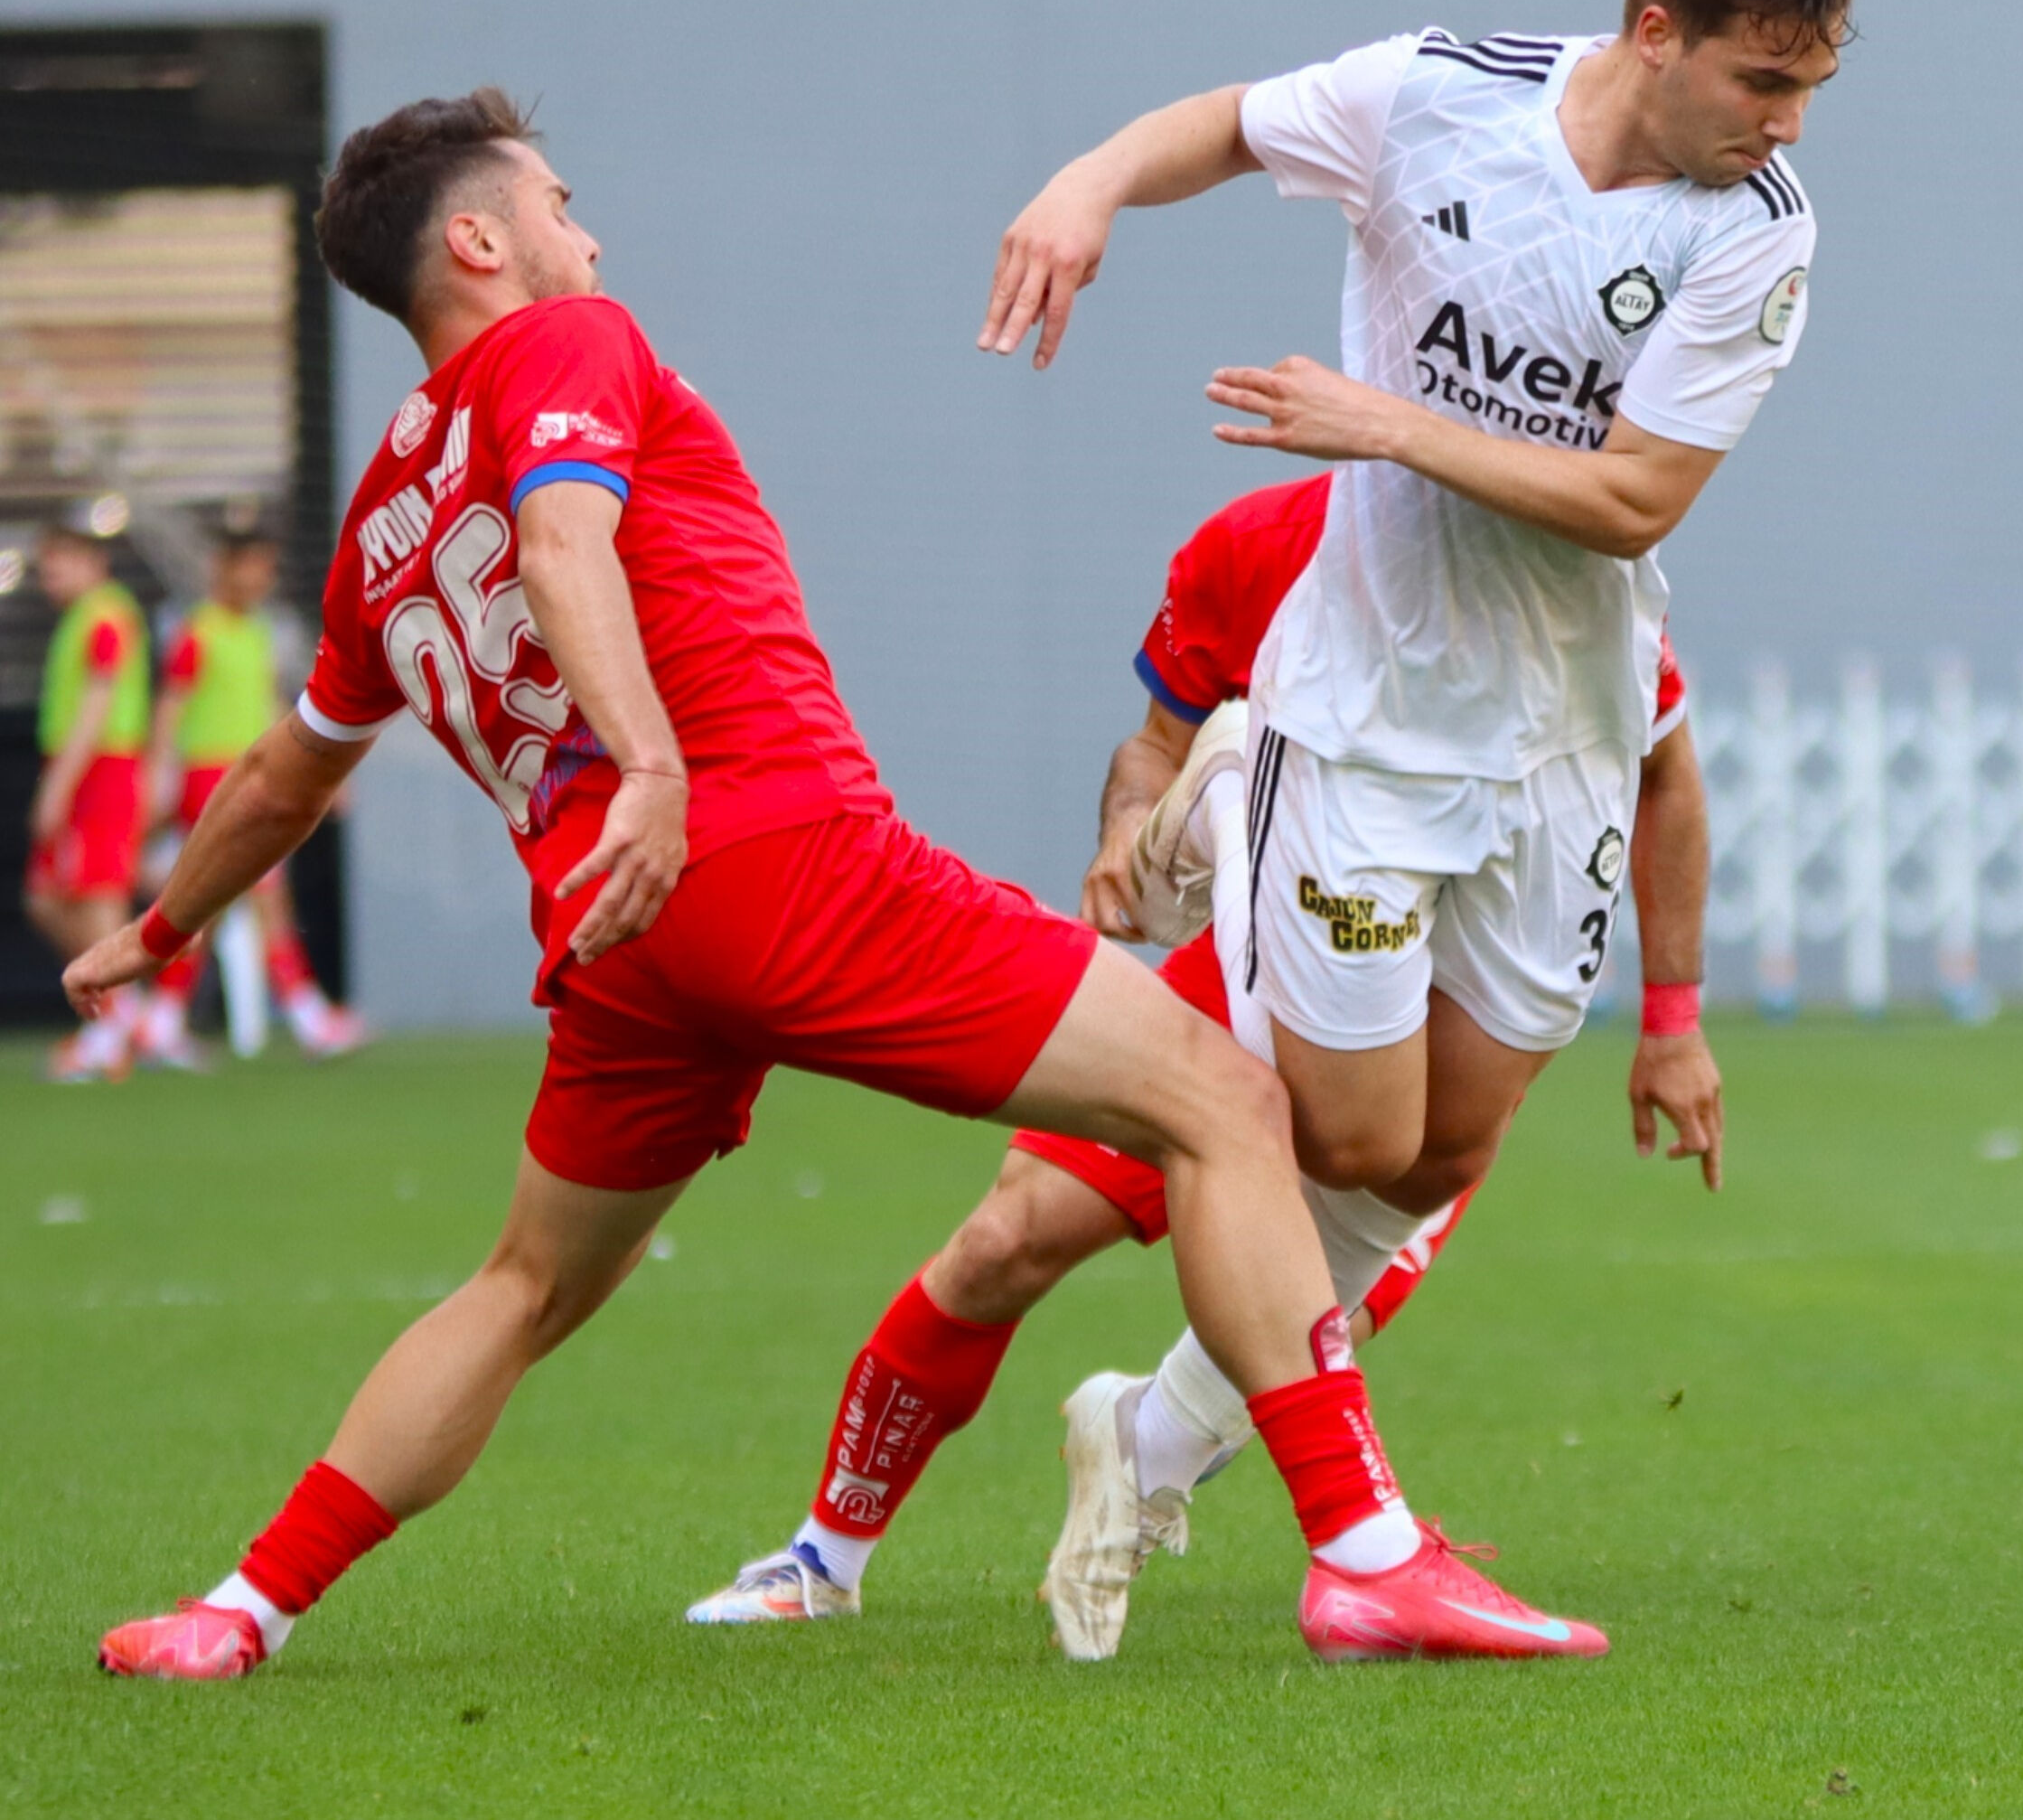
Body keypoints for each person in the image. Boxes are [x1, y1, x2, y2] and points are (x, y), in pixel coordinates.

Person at [80, 88, 1593, 1681]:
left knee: (521, 1286)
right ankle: (1363, 1554)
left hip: (613, 937)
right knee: (1223, 1104)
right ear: (479, 239)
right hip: (768, 855)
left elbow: (287, 769)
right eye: (559, 204)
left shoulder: (381, 514)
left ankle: (239, 1609)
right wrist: (655, 768)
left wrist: (162, 927)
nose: (583, 235)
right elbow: (561, 544)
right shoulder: (563, 345)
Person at [973, 0, 1855, 1605]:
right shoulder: (1439, 98)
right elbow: (1225, 124)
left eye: (1812, 88)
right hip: (1363, 720)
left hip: (1563, 743)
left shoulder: (1755, 237)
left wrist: (1384, 424)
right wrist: (1086, 185)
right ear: (1654, 32)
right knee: (1356, 1143)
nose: (1789, 126)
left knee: (1449, 1153)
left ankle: (1151, 1438)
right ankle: (1242, 805)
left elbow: (1628, 503)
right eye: (1763, 82)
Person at [685, 471, 1720, 1658]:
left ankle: (1151, 1458)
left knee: (1302, 1300)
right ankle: (822, 1556)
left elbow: (1662, 772)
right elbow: (1148, 744)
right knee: (1007, 1237)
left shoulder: (1543, 553)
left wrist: (1673, 1018)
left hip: (1427, 1019)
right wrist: (1129, 827)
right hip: (1252, 973)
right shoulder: (1252, 546)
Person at [136, 526, 366, 1066]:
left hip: (250, 776)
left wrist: (320, 773)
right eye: (253, 565)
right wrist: (154, 782)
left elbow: (271, 709)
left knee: (205, 907)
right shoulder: (198, 633)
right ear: (226, 566)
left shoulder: (259, 633)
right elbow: (169, 713)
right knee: (266, 901)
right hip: (212, 781)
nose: (262, 577)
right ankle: (310, 1018)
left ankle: (160, 1023)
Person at [25, 512, 150, 1084]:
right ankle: (123, 1014)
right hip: (88, 768)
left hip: (101, 770)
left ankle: (114, 1027)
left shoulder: (103, 616)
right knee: (48, 896)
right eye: (46, 570)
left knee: (98, 893)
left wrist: (59, 785)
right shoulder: (86, 617)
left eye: (60, 566)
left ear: (92, 563)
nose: (51, 580)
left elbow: (97, 705)